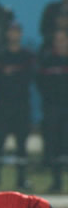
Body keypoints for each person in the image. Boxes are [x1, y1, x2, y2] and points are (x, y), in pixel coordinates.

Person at [0, 22, 35, 189]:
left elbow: (30, 77)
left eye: (17, 32)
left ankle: (22, 179)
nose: (14, 35)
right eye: (11, 31)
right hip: (3, 105)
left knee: (21, 143)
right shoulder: (1, 56)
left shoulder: (27, 56)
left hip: (21, 105)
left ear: (20, 34)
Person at [38, 29, 68, 192]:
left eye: (63, 39)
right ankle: (57, 182)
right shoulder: (48, 60)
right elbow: (41, 82)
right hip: (53, 108)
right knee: (55, 145)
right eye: (57, 40)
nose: (60, 43)